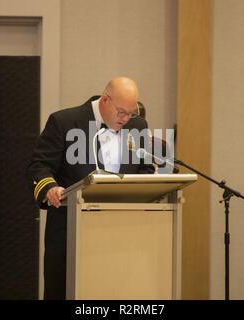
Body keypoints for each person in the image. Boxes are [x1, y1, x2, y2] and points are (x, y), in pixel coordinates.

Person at [26, 77, 154, 299]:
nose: (126, 119)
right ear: (105, 100)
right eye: (121, 112)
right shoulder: (64, 121)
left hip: (123, 233)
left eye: (131, 113)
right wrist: (51, 188)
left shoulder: (138, 126)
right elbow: (39, 166)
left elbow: (145, 170)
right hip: (70, 232)